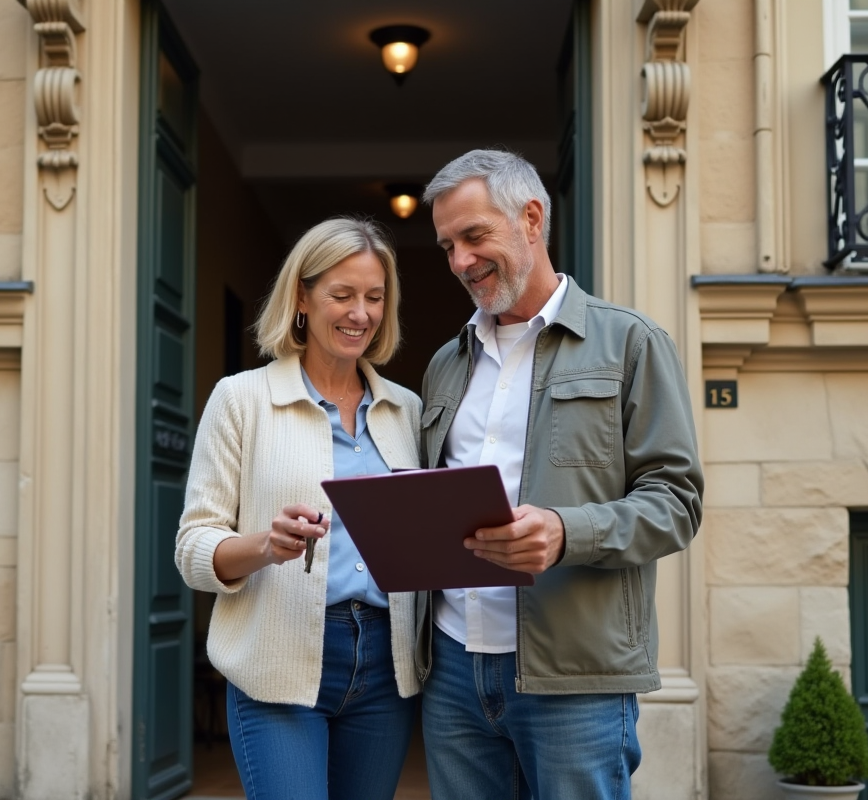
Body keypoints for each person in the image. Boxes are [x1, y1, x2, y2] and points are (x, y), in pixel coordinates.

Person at [415, 149, 704, 800]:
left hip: (575, 676)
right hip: (455, 669)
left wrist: (566, 533)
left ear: (532, 218)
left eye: (474, 236)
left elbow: (677, 503)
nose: (460, 261)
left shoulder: (631, 343)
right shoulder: (443, 364)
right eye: (446, 246)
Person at [176, 217, 422, 800]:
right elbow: (192, 549)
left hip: (386, 666)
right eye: (341, 294)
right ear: (302, 299)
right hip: (276, 662)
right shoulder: (242, 399)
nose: (359, 313)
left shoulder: (406, 410)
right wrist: (265, 544)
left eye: (374, 297)